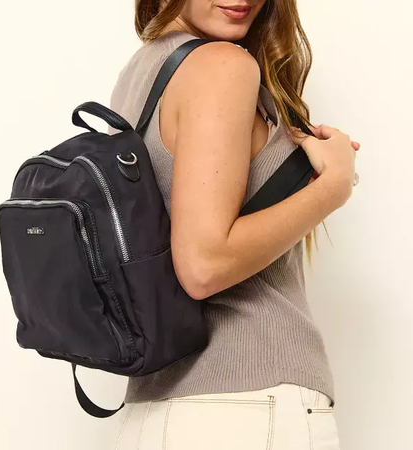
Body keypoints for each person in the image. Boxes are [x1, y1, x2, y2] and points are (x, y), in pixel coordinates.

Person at [108, 1, 360, 448]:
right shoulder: (220, 65)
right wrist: (333, 187)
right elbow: (203, 264)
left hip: (158, 413)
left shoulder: (141, 73)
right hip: (248, 409)